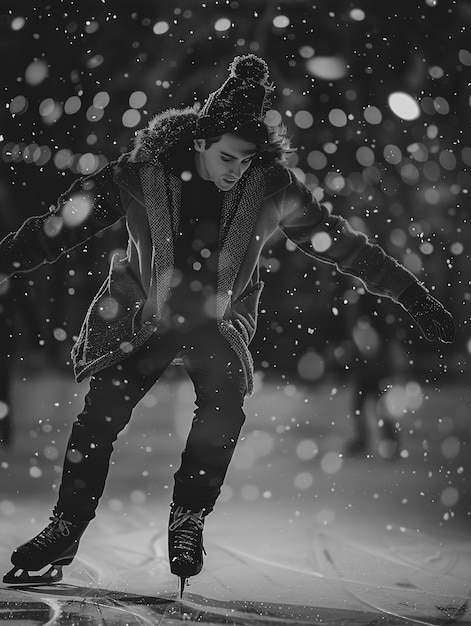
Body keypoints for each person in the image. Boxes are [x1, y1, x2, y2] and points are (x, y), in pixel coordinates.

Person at [0, 54, 454, 595]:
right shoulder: (136, 175)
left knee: (223, 409)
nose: (236, 170)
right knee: (98, 420)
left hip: (217, 323)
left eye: (247, 160)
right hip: (144, 317)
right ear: (199, 141)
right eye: (228, 157)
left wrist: (412, 296)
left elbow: (341, 245)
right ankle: (67, 527)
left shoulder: (272, 187)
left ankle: (188, 519)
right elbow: (58, 228)